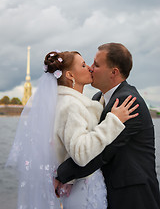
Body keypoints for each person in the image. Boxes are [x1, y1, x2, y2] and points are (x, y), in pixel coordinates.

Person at [6, 50, 138, 209]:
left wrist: (67, 179)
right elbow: (81, 153)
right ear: (70, 75)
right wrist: (113, 122)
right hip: (85, 191)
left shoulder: (63, 103)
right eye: (83, 65)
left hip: (77, 186)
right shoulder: (71, 106)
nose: (89, 67)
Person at [55, 43, 160, 209]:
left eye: (96, 65)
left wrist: (61, 175)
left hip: (133, 196)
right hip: (108, 193)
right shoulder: (97, 98)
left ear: (114, 72)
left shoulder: (129, 102)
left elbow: (103, 152)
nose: (90, 68)